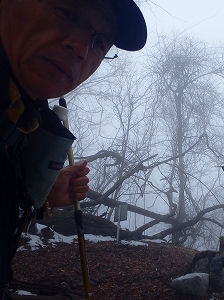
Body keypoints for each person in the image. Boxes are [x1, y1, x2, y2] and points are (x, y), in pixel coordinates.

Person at [0, 0, 147, 299]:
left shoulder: (19, 120)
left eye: (99, 42)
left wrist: (40, 193)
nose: (81, 48)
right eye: (67, 12)